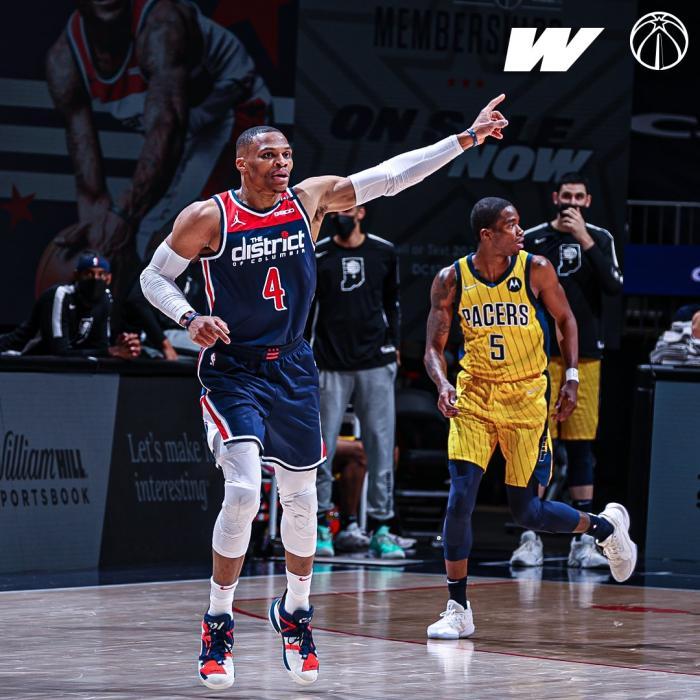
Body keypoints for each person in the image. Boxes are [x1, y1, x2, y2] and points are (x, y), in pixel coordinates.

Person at [139, 96, 510, 688]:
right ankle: (217, 621)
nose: (282, 164)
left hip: (292, 367)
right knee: (243, 493)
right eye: (269, 155)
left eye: (287, 154)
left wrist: (464, 138)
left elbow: (391, 177)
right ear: (242, 162)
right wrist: (189, 318)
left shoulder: (307, 200)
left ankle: (295, 611)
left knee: (302, 499)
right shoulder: (209, 217)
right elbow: (153, 276)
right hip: (234, 369)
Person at [423, 197, 636, 640]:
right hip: (474, 397)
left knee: (528, 512)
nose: (521, 231)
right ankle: (458, 607)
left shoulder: (535, 268)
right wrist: (442, 384)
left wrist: (571, 377)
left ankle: (604, 527)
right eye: (511, 225)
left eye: (519, 223)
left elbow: (566, 319)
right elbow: (433, 348)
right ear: (487, 235)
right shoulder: (451, 279)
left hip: (525, 398)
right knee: (460, 499)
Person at [46, 0, 270, 296]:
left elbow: (168, 130)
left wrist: (122, 217)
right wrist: (97, 231)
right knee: (129, 239)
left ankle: (205, 309)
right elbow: (89, 182)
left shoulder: (163, 24)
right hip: (183, 129)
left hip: (234, 111)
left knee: (163, 236)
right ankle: (132, 314)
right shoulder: (64, 61)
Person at [510, 173, 623, 570]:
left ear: (588, 201)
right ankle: (530, 538)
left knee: (580, 447)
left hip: (585, 357)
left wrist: (585, 240)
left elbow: (614, 286)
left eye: (579, 197)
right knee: (536, 445)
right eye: (566, 196)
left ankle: (584, 543)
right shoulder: (534, 238)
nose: (572, 202)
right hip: (538, 357)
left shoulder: (600, 238)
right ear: (556, 197)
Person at [311, 206, 403, 560]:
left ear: (362, 212)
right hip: (329, 361)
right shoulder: (319, 253)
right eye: (335, 211)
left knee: (381, 445)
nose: (341, 216)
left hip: (375, 361)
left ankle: (382, 527)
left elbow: (393, 303)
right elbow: (307, 308)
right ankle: (321, 524)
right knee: (322, 447)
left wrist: (394, 345)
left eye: (347, 210)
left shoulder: (383, 251)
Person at [0, 252, 140, 359]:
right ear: (76, 276)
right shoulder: (60, 295)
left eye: (101, 274)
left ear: (108, 279)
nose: (95, 279)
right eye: (88, 274)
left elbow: (100, 345)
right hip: (15, 352)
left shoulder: (105, 298)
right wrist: (110, 352)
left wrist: (121, 347)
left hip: (47, 364)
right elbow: (58, 351)